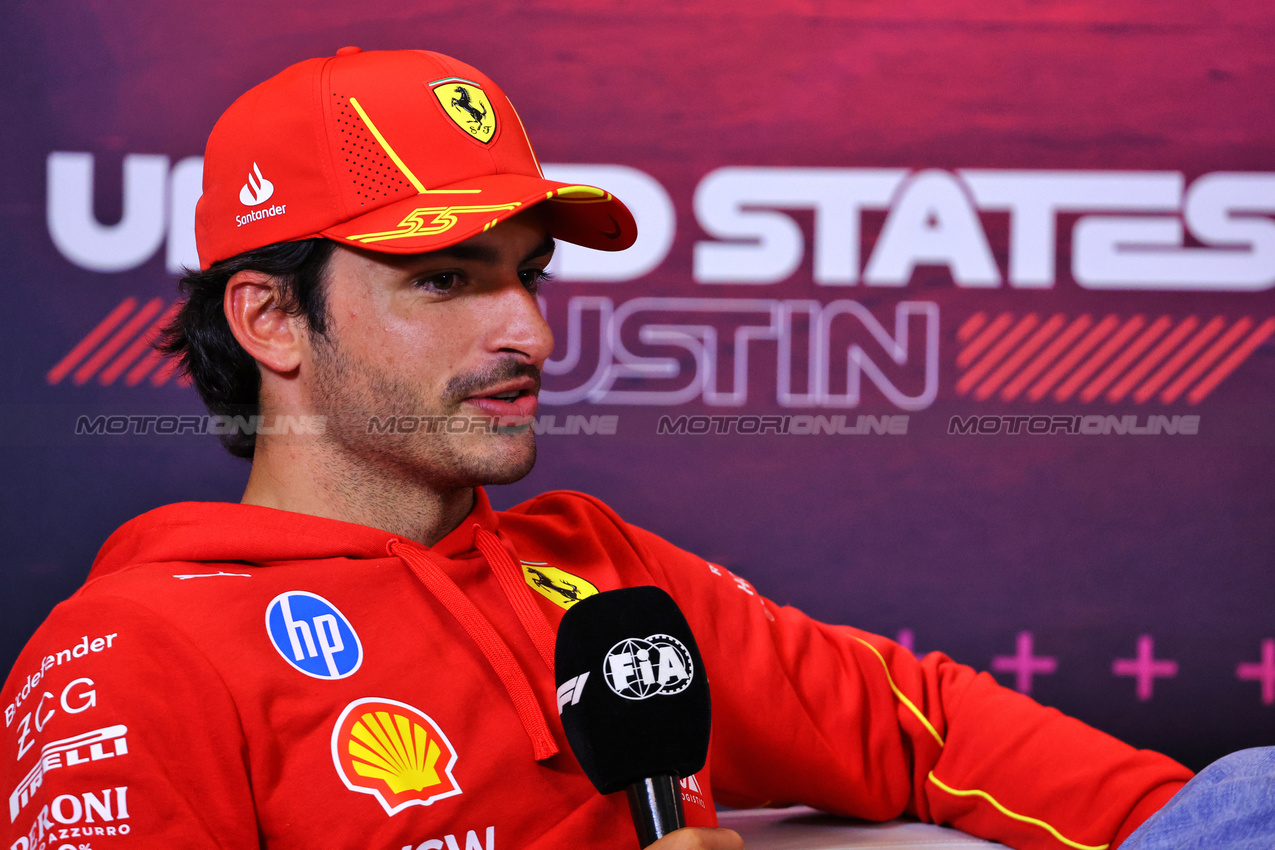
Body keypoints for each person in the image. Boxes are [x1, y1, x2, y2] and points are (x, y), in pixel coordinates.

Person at [2, 48, 1192, 850]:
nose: (528, 329)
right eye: (445, 279)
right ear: (270, 320)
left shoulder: (595, 567)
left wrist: (1197, 825)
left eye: (528, 275)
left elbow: (911, 726)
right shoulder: (132, 654)